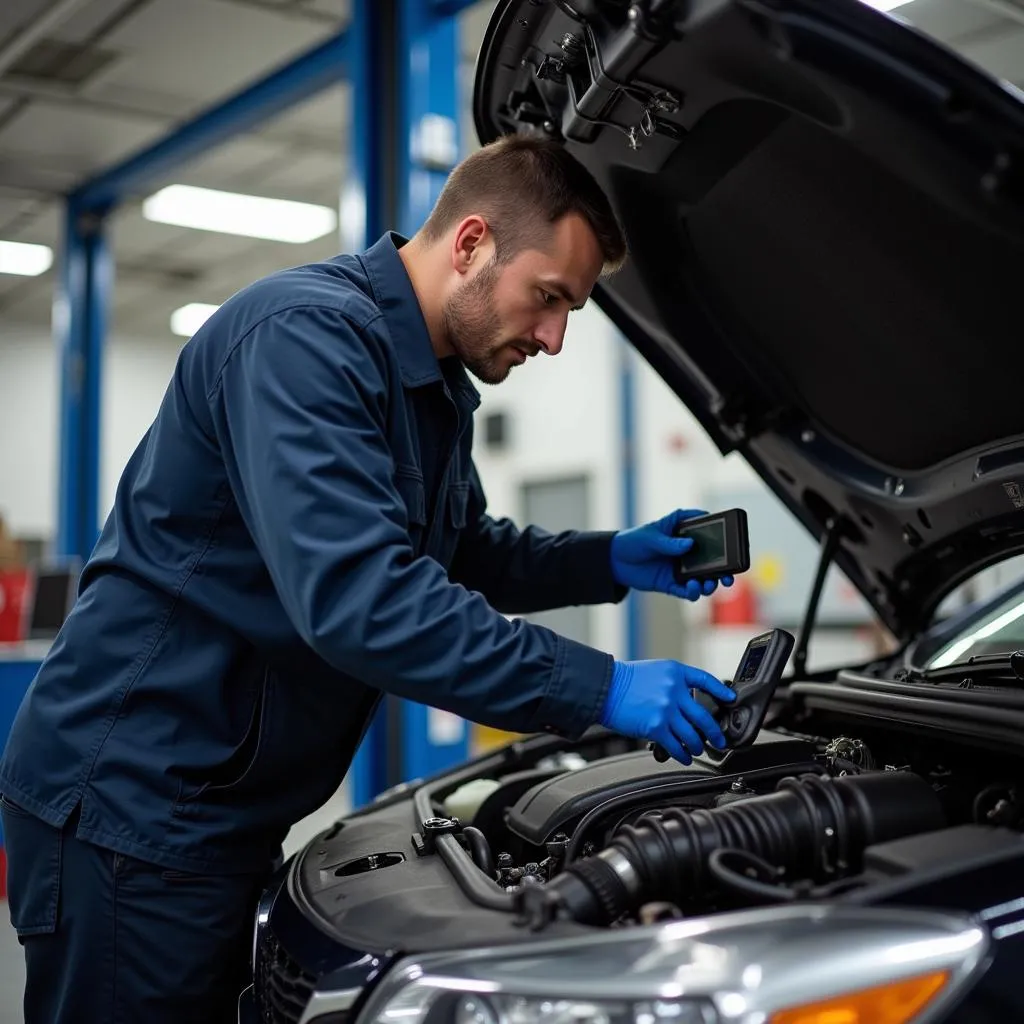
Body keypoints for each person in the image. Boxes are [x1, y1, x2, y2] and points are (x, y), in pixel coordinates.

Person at [0, 135, 737, 1023]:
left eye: (570, 310)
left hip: (212, 804)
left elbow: (460, 552)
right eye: (549, 298)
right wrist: (603, 687)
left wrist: (609, 557)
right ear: (471, 243)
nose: (553, 337)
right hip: (132, 805)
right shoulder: (304, 338)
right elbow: (364, 600)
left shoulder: (428, 384)